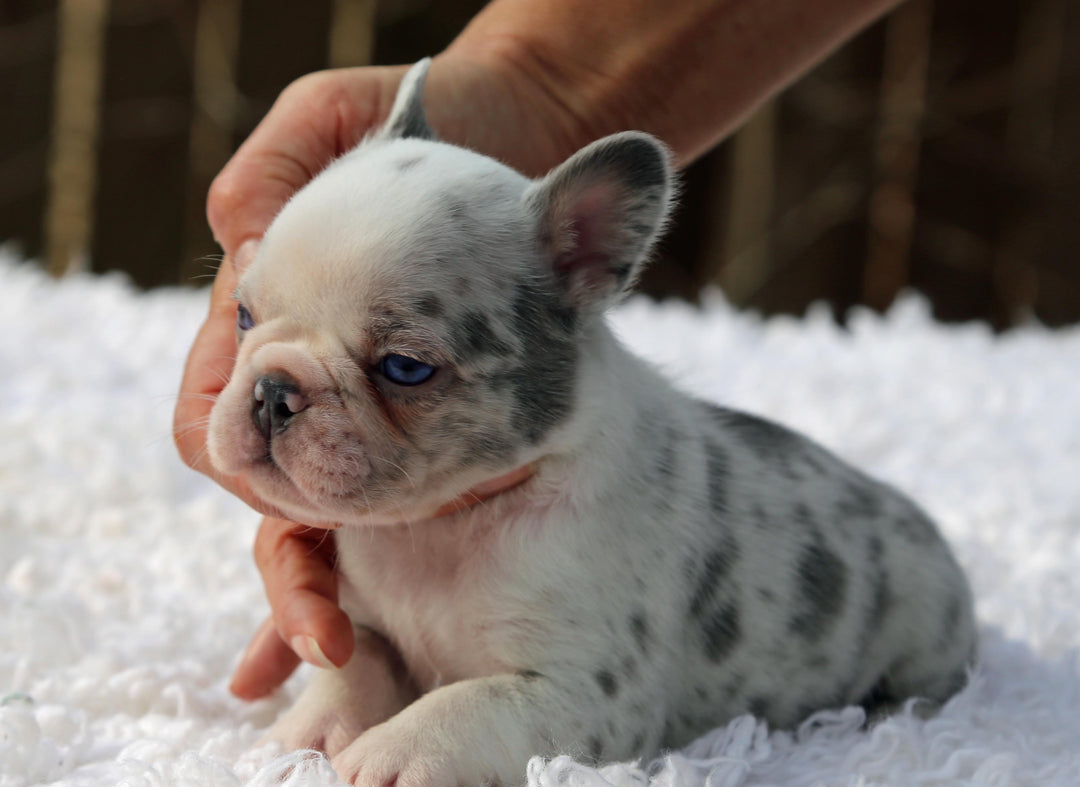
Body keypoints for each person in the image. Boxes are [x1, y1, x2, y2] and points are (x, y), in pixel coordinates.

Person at [174, 0, 903, 700]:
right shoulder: (403, 479)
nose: (273, 396)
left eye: (402, 367)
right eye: (251, 316)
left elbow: (587, 702)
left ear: (584, 258)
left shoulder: (604, 511)